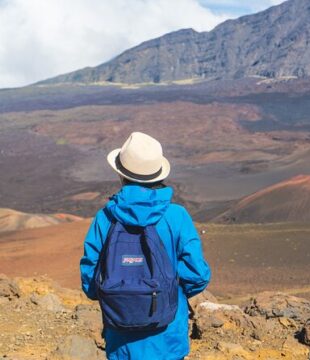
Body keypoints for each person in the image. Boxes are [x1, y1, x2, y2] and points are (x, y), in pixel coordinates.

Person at [80, 132, 211, 360]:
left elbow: (90, 282)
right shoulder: (177, 216)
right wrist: (165, 293)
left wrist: (123, 297)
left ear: (121, 175)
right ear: (157, 175)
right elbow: (197, 275)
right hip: (168, 338)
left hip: (121, 342)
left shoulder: (105, 218)